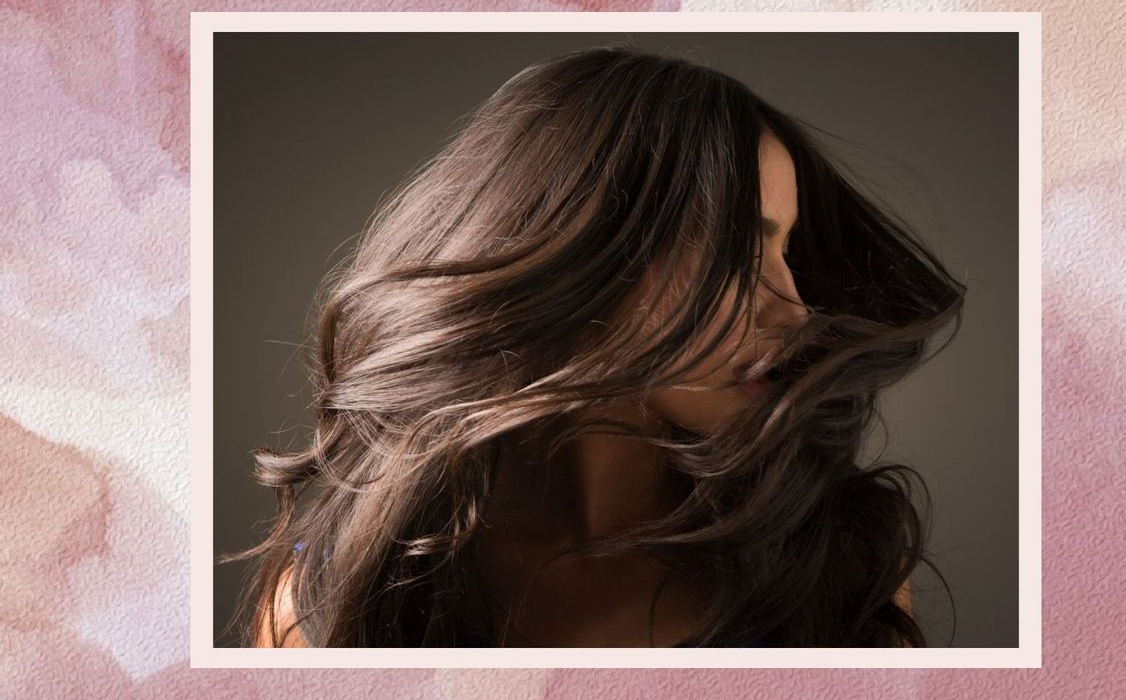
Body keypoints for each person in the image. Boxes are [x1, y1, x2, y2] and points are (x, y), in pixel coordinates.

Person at [220, 44, 964, 648]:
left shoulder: (835, 570)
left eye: (789, 256)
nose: (796, 311)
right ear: (585, 253)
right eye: (742, 255)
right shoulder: (330, 604)